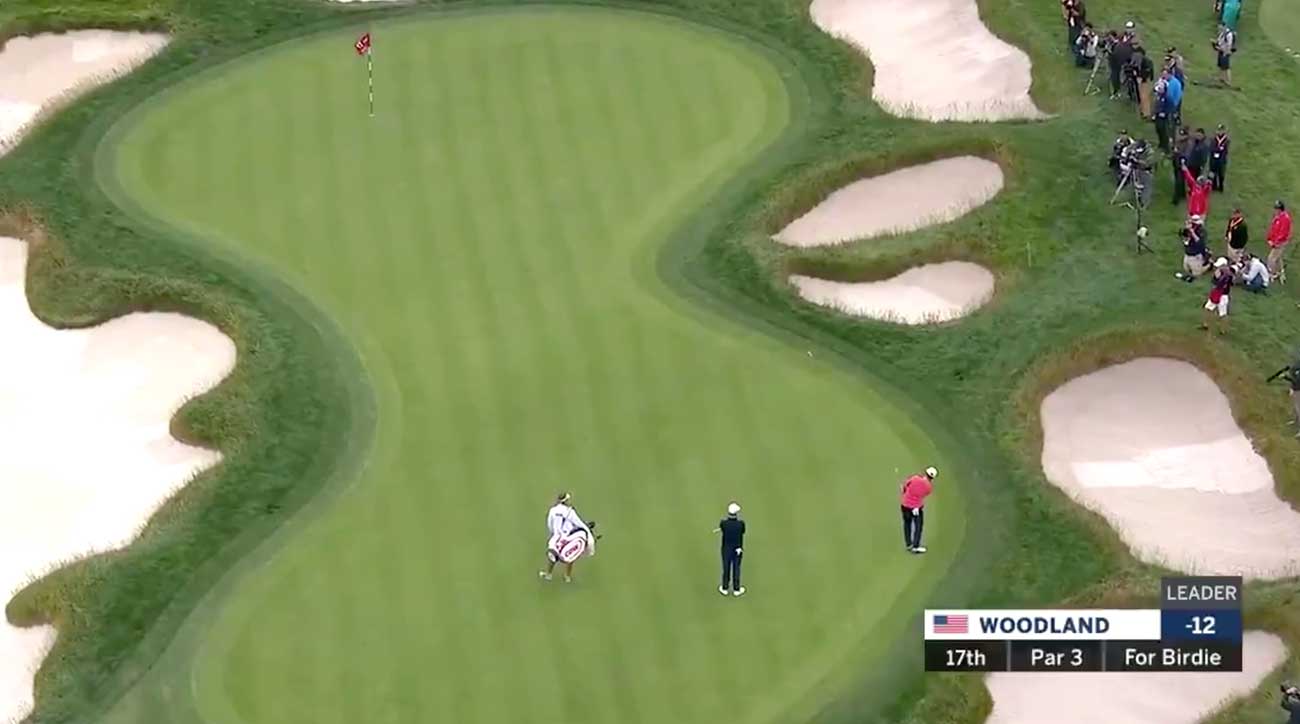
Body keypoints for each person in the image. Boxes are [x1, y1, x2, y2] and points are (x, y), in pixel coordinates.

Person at [540, 492, 594, 582]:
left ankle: (548, 574)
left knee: (552, 556)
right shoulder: (570, 512)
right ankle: (567, 576)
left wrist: (553, 533)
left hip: (556, 537)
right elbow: (578, 523)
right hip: (567, 536)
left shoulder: (553, 510)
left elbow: (550, 523)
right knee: (570, 555)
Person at [900, 467, 937, 554]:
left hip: (905, 505)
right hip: (916, 508)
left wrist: (905, 491)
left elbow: (905, 486)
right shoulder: (929, 487)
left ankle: (909, 544)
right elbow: (924, 495)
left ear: (925, 473)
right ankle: (915, 546)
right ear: (932, 478)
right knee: (918, 526)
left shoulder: (915, 478)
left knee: (907, 524)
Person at [714, 502, 746, 596]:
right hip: (737, 548)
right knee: (736, 568)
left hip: (726, 549)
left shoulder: (724, 523)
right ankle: (736, 589)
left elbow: (723, 528)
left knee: (726, 567)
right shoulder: (740, 524)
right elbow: (742, 532)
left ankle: (725, 588)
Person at [1201, 257, 1233, 334]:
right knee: (1207, 308)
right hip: (1216, 293)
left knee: (1222, 314)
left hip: (1223, 296)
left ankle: (1223, 330)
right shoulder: (1220, 272)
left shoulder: (1228, 275)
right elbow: (1213, 281)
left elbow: (1219, 284)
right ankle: (1205, 325)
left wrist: (1217, 278)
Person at [1177, 216, 1211, 281]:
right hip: (1188, 253)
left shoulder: (1202, 231)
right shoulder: (1188, 229)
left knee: (1196, 274)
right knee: (1186, 269)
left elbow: (1199, 242)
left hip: (1196, 254)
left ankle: (1209, 265)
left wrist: (1192, 232)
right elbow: (1183, 237)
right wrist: (1186, 229)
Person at [1267, 200, 1293, 276]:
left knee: (1271, 259)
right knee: (1278, 257)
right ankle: (1280, 270)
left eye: (1276, 209)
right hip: (1276, 241)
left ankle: (1271, 273)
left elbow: (1283, 233)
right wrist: (1269, 238)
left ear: (1280, 209)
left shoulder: (1285, 218)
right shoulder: (1278, 216)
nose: (1275, 210)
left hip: (1280, 242)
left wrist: (1275, 243)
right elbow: (1273, 228)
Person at [1109, 29, 1134, 99]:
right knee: (1116, 76)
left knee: (1116, 76)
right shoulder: (1120, 44)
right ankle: (1117, 90)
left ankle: (1117, 91)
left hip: (1118, 62)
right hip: (1118, 62)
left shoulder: (1121, 45)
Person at [1133, 48, 1155, 118]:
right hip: (1144, 79)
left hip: (1145, 80)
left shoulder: (1145, 62)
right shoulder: (1142, 60)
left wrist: (1140, 77)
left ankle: (1146, 113)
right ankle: (1143, 110)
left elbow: (1147, 72)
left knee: (1144, 96)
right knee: (1143, 96)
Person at [1171, 127, 1191, 205]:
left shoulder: (1188, 143)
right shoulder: (1178, 142)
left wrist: (1178, 152)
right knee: (1179, 179)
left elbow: (1187, 154)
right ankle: (1182, 194)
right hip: (1176, 163)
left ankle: (1176, 199)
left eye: (1183, 135)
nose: (1181, 136)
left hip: (1182, 164)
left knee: (1178, 181)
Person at [1210, 124, 1231, 191]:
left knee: (1221, 172)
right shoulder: (1213, 139)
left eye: (1222, 130)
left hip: (1222, 158)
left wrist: (1220, 150)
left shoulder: (1226, 140)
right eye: (1219, 130)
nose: (1220, 132)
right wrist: (1218, 149)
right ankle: (1214, 185)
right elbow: (1211, 148)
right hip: (1213, 158)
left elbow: (1226, 150)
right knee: (1213, 171)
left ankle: (1221, 186)